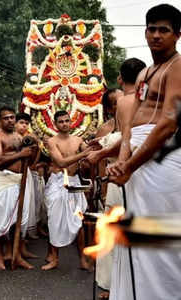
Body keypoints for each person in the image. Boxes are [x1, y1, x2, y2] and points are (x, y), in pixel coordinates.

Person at [107, 4, 181, 300]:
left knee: (159, 240)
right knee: (134, 239)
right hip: (136, 160)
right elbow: (129, 126)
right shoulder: (144, 75)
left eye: (164, 30)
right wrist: (122, 161)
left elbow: (169, 123)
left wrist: (131, 165)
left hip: (161, 159)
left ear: (177, 35)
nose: (156, 35)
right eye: (152, 29)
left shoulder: (178, 68)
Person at [86, 58, 146, 300]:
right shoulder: (153, 99)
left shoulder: (127, 102)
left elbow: (128, 140)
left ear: (121, 78)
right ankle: (125, 288)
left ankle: (118, 288)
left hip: (124, 175)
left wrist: (100, 153)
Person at [0, 106, 36, 270]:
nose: (10, 120)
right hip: (2, 181)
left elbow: (30, 160)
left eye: (12, 117)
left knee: (18, 220)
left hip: (19, 181)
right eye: (6, 118)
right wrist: (20, 155)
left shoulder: (19, 136)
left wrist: (33, 150)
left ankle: (15, 255)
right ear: (0, 120)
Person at [42, 110, 92, 271]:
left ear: (71, 122)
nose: (64, 124)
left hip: (74, 183)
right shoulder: (51, 141)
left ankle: (83, 260)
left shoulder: (78, 140)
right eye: (61, 121)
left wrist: (95, 148)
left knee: (79, 221)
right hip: (57, 183)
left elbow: (91, 154)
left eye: (67, 121)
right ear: (56, 125)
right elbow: (61, 162)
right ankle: (54, 259)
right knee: (54, 221)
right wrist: (84, 154)